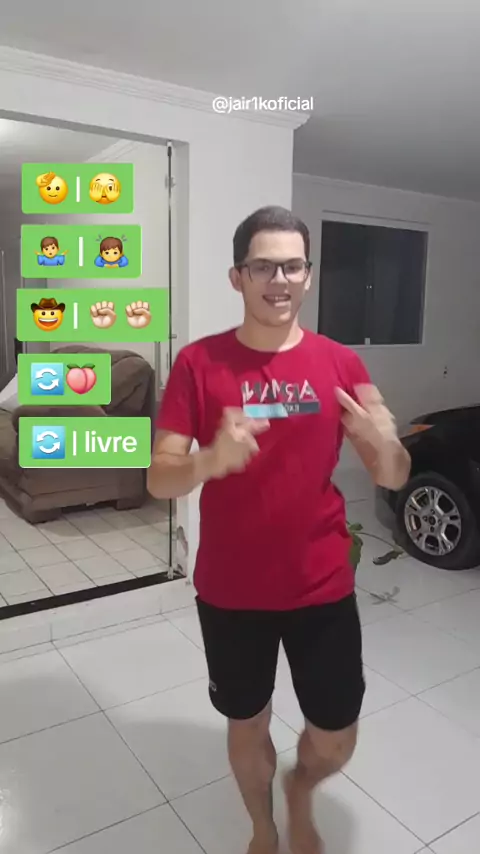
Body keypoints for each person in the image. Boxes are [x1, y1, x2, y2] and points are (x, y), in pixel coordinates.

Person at [148, 206, 410, 854]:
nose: (279, 279)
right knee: (247, 721)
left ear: (309, 275)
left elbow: (393, 474)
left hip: (321, 583)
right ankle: (263, 825)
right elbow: (159, 479)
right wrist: (209, 460)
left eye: (292, 266)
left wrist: (385, 443)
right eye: (263, 266)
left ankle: (300, 788)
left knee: (336, 735)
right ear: (237, 276)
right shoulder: (198, 364)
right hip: (232, 589)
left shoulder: (340, 363)